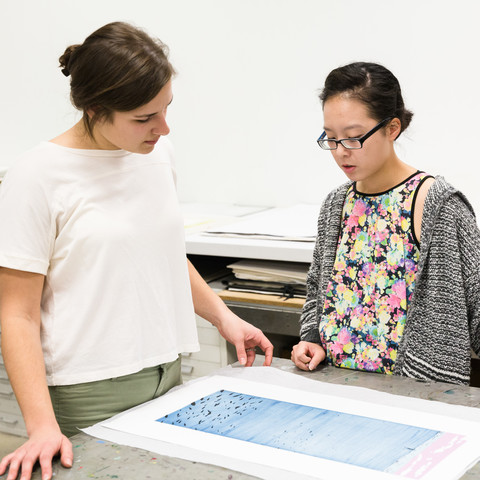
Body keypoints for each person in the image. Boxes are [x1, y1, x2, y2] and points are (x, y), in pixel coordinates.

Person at [0, 21, 273, 480]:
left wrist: (224, 317)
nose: (162, 129)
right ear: (94, 108)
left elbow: (164, 253)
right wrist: (41, 425)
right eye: (144, 118)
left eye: (166, 109)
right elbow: (16, 314)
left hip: (168, 373)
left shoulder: (155, 155)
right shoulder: (35, 177)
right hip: (89, 389)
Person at [291, 61, 480, 387]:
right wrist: (311, 337)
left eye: (352, 138)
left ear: (392, 128)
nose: (340, 153)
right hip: (336, 386)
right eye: (331, 138)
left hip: (414, 395)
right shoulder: (337, 205)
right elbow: (316, 293)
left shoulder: (437, 205)